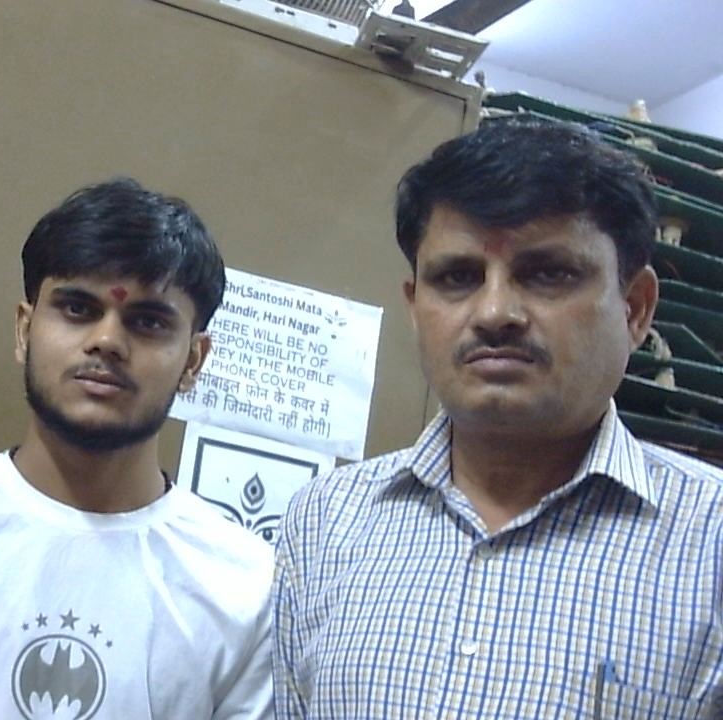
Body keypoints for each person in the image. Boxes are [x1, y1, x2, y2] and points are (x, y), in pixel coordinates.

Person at [272, 116, 723, 717]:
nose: (494, 313)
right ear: (416, 307)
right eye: (458, 277)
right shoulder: (325, 522)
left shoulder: (711, 542)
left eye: (548, 273)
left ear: (635, 309)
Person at [0, 178, 275, 719]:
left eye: (148, 322)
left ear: (193, 361)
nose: (107, 341)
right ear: (24, 329)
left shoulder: (246, 585)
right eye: (78, 308)